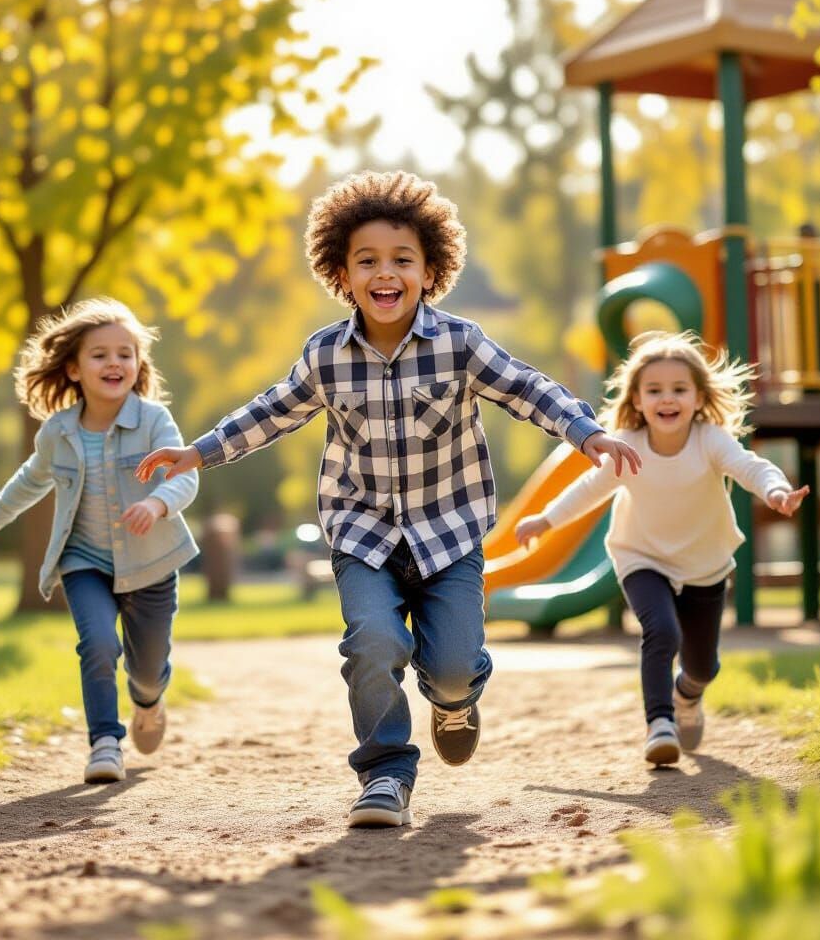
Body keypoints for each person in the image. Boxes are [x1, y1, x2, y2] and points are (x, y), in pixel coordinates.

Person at [135, 170, 640, 827]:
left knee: (453, 667)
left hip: (449, 532)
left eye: (402, 259)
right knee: (371, 642)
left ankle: (453, 700)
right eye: (367, 260)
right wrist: (197, 452)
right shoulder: (325, 355)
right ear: (342, 274)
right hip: (362, 533)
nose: (385, 273)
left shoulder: (460, 343)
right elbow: (272, 412)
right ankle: (385, 774)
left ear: (430, 271)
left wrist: (586, 432)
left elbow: (526, 388)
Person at [516, 330, 807, 766]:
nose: (666, 398)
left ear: (698, 397)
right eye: (654, 390)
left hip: (703, 562)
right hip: (641, 556)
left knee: (703, 667)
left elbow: (750, 467)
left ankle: (687, 694)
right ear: (636, 400)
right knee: (662, 632)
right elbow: (590, 488)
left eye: (678, 389)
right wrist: (546, 519)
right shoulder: (628, 446)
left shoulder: (711, 440)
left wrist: (776, 491)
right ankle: (660, 724)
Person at [0, 298, 199, 784]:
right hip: (83, 560)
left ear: (138, 364)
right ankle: (105, 743)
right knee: (97, 645)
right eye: (100, 355)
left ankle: (148, 702)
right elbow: (30, 480)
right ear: (73, 369)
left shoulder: (154, 420)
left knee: (147, 670)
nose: (115, 363)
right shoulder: (59, 432)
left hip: (151, 563)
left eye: (125, 354)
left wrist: (157, 504)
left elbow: (184, 475)